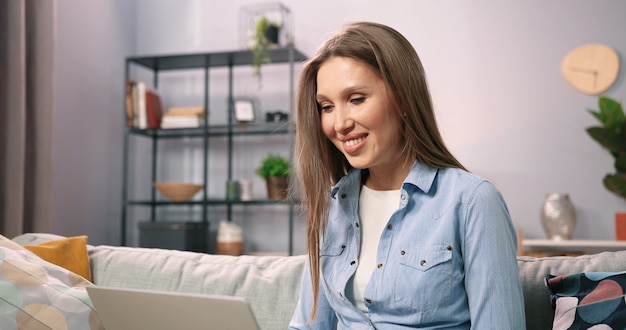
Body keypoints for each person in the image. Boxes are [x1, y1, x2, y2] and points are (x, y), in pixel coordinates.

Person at [289, 22, 526, 329]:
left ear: (402, 99)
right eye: (327, 106)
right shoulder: (334, 208)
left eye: (357, 99)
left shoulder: (472, 201)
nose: (339, 123)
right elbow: (308, 325)